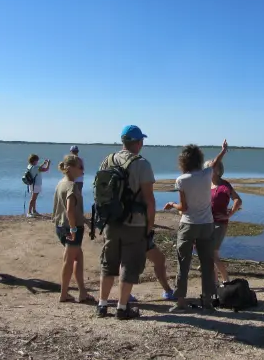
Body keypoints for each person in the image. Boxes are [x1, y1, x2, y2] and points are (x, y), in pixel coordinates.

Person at [96, 125, 156, 320]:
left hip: (111, 221)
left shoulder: (107, 160)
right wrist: (150, 226)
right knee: (129, 265)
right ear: (138, 143)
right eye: (141, 141)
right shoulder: (142, 164)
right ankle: (122, 308)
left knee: (108, 262)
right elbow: (149, 200)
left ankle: (102, 305)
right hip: (135, 222)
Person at [163, 140, 228, 313]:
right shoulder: (207, 174)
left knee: (183, 263)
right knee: (207, 264)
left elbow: (184, 208)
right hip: (207, 225)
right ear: (199, 159)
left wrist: (171, 204)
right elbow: (215, 162)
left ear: (183, 162)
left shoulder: (181, 180)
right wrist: (223, 151)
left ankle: (181, 302)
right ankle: (207, 302)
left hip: (188, 225)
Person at [52, 154, 95, 304]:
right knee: (69, 260)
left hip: (61, 226)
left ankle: (82, 292)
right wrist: (73, 229)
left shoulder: (61, 183)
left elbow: (73, 211)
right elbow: (70, 210)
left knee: (78, 258)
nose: (83, 170)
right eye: (80, 167)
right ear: (70, 168)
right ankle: (64, 294)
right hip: (70, 228)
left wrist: (86, 221)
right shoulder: (71, 186)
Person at [206, 159, 242, 283]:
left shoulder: (224, 185)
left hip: (219, 223)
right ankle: (216, 282)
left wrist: (230, 214)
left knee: (213, 254)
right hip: (206, 222)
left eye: (209, 169)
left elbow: (238, 200)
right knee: (209, 254)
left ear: (216, 170)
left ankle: (226, 280)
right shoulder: (206, 184)